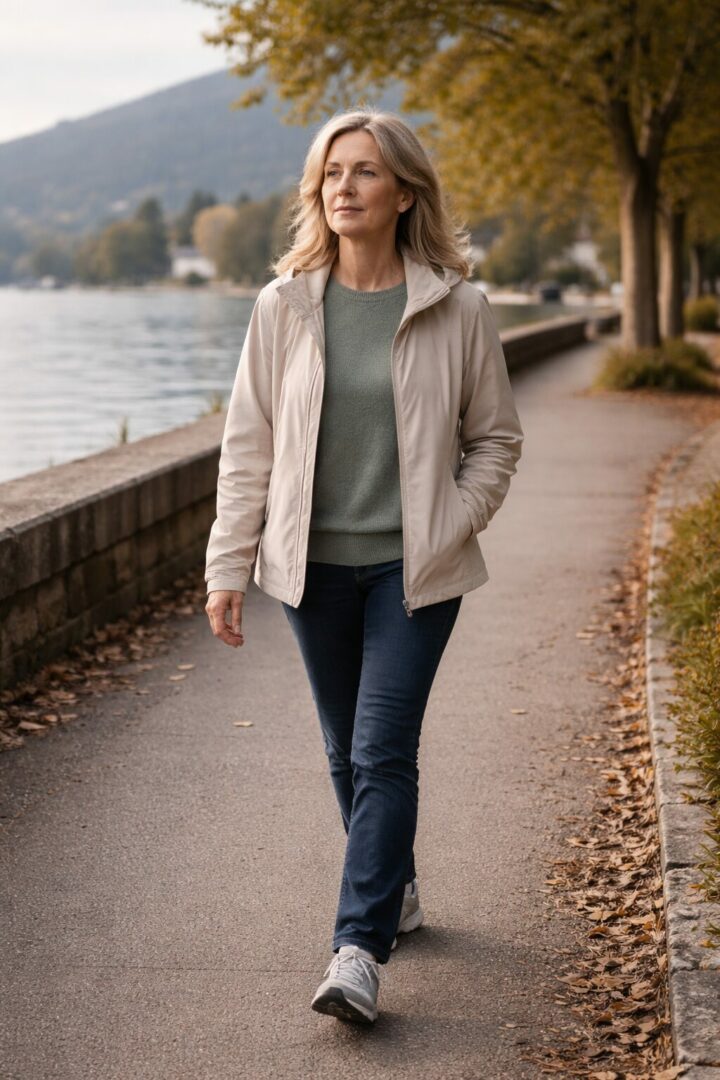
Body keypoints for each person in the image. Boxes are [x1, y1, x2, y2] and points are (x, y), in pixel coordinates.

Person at [204, 107, 524, 1026]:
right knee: (346, 751)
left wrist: (453, 521)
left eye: (365, 173)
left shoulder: (457, 306)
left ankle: (357, 951)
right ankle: (398, 891)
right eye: (331, 173)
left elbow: (494, 438)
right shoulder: (285, 305)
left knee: (384, 750)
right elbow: (247, 446)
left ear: (404, 192)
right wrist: (229, 565)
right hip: (312, 571)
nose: (343, 187)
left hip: (410, 575)